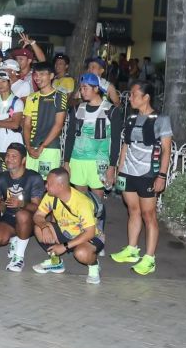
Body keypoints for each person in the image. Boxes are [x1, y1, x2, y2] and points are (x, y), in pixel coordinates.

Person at [110, 80, 172, 276]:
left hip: (148, 175)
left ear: (146, 97)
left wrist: (161, 176)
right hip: (129, 173)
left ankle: (150, 259)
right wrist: (119, 171)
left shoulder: (161, 120)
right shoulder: (131, 119)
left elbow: (166, 150)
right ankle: (132, 250)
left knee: (149, 215)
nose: (130, 98)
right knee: (133, 210)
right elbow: (125, 147)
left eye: (134, 95)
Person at [32, 168, 104, 285]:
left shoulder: (81, 203)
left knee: (81, 253)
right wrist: (44, 227)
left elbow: (90, 232)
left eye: (49, 183)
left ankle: (94, 266)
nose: (45, 186)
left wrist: (64, 246)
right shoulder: (51, 196)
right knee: (38, 228)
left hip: (88, 236)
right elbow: (38, 215)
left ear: (60, 186)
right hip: (66, 232)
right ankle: (55, 262)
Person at [0, 143, 46, 272]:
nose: (9, 159)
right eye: (7, 155)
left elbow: (37, 208)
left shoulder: (34, 177)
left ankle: (19, 257)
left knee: (22, 214)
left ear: (23, 160)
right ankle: (16, 238)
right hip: (9, 217)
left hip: (30, 219)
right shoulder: (0, 178)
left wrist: (22, 204)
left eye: (14, 156)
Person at [64, 73, 121, 198]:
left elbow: (116, 141)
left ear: (96, 89)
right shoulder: (76, 109)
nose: (82, 91)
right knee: (80, 199)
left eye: (85, 88)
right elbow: (70, 137)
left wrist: (112, 166)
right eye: (81, 88)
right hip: (77, 160)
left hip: (99, 162)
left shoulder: (111, 110)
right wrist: (66, 162)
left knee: (97, 200)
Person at [21, 62, 67, 178]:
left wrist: (42, 147)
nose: (37, 77)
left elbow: (58, 124)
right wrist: (28, 147)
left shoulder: (59, 96)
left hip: (49, 148)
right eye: (35, 74)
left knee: (47, 182)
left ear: (51, 76)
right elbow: (26, 124)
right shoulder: (32, 97)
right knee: (31, 181)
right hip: (32, 148)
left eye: (42, 74)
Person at [0, 70, 24, 155]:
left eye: (3, 81)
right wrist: (8, 120)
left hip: (14, 144)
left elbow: (15, 125)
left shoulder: (18, 102)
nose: (0, 84)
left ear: (9, 82)